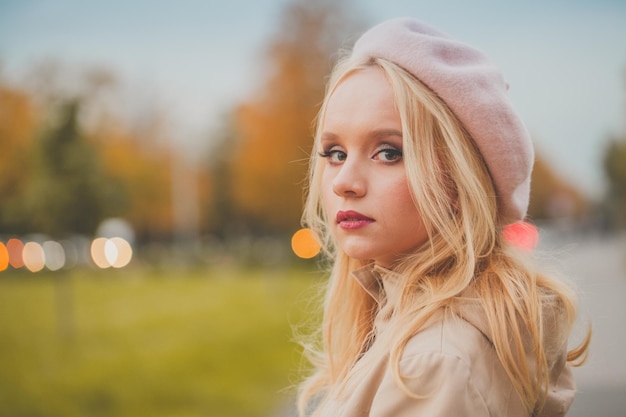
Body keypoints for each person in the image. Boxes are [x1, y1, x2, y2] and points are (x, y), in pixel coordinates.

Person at [296, 17, 590, 417]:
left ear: (459, 179)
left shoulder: (432, 364)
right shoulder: (404, 328)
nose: (344, 182)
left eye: (388, 152)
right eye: (335, 153)